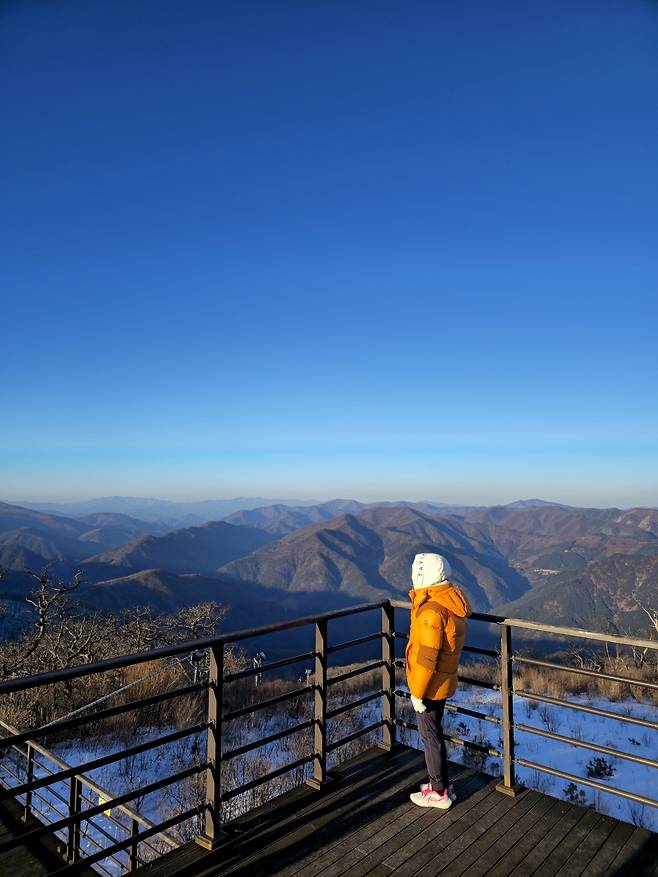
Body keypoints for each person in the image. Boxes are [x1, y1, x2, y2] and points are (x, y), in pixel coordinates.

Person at [406, 552, 471, 809]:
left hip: (429, 686)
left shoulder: (431, 612)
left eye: (415, 571)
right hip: (444, 681)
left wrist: (417, 693)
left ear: (424, 575)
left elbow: (426, 660)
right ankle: (440, 783)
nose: (412, 576)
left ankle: (439, 791)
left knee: (430, 736)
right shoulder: (450, 601)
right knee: (435, 732)